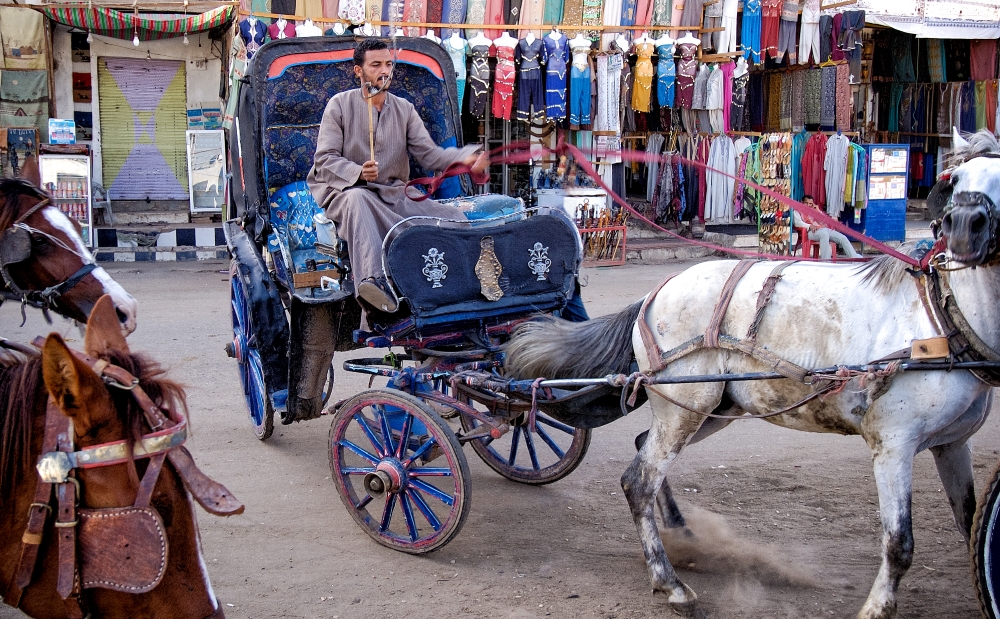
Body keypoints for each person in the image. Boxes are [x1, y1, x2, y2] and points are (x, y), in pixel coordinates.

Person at [307, 38, 489, 312]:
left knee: (453, 219)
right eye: (376, 64)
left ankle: (465, 281)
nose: (384, 71)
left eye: (389, 64)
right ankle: (373, 282)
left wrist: (463, 156)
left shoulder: (404, 109)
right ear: (359, 71)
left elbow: (431, 156)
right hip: (346, 193)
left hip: (393, 192)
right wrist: (358, 172)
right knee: (358, 199)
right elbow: (324, 158)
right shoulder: (339, 105)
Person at [792, 194, 860, 260]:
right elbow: (797, 223)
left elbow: (824, 221)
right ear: (802, 202)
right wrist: (809, 226)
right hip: (810, 232)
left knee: (842, 237)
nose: (808, 205)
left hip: (822, 229)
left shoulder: (813, 211)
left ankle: (855, 259)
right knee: (824, 235)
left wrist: (818, 211)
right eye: (806, 203)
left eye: (810, 204)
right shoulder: (797, 211)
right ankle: (826, 261)